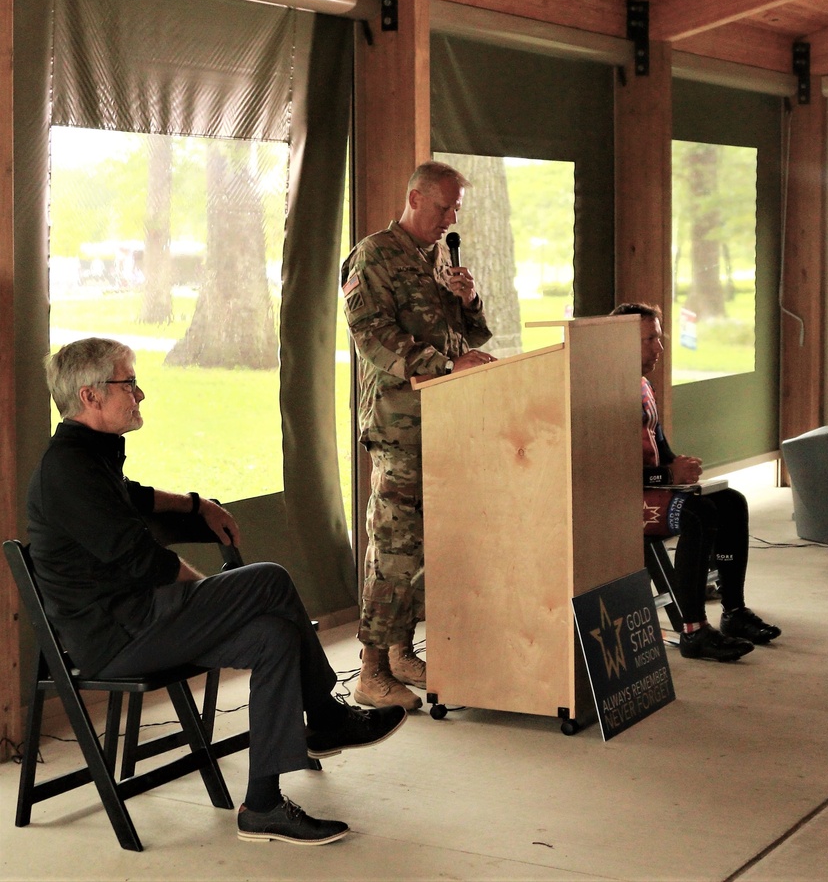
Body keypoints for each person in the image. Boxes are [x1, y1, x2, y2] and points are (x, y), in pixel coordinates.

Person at [27, 338, 406, 847]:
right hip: (119, 636)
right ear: (91, 395)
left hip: (144, 621)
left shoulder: (88, 456)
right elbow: (144, 562)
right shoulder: (67, 471)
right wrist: (213, 595)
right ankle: (327, 717)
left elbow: (134, 498)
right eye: (128, 383)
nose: (140, 394)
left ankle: (263, 805)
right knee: (267, 580)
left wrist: (195, 504)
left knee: (273, 636)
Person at [342, 161, 494, 709]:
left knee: (427, 547)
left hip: (447, 422)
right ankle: (371, 669)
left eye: (456, 209)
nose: (450, 217)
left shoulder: (435, 259)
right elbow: (373, 337)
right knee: (394, 545)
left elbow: (463, 336)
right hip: (400, 424)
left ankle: (403, 651)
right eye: (443, 207)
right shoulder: (374, 255)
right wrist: (446, 366)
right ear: (413, 197)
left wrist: (468, 300)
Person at [611, 303, 781, 662]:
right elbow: (604, 473)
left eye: (659, 338)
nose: (659, 348)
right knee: (697, 514)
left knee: (732, 502)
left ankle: (733, 611)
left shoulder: (642, 384)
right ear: (622, 344)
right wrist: (668, 476)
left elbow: (659, 446)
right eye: (650, 340)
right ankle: (693, 630)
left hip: (649, 488)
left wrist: (676, 465)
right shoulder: (602, 393)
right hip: (615, 500)